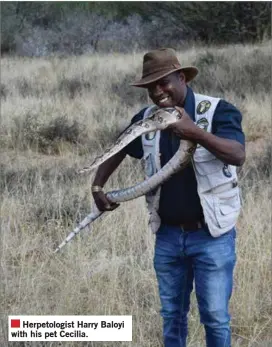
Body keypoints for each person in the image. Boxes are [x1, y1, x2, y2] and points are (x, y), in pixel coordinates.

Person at [91, 48, 245, 347]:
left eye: (164, 82)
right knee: (172, 315)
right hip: (168, 235)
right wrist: (98, 185)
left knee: (214, 316)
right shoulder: (147, 119)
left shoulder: (218, 111)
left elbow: (237, 155)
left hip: (211, 234)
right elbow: (121, 146)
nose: (158, 91)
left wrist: (195, 133)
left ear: (182, 77)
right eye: (151, 87)